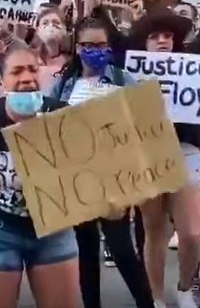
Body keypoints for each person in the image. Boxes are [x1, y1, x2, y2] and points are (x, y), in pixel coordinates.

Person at [0, 46, 81, 308]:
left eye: (33, 69)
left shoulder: (62, 116)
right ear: (3, 81)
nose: (27, 78)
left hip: (54, 228)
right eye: (17, 71)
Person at [128, 0, 200, 308]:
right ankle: (156, 297)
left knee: (191, 233)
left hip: (185, 151)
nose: (162, 42)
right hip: (147, 153)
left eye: (168, 36)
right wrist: (93, 3)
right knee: (154, 230)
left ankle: (186, 286)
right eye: (155, 37)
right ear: (145, 41)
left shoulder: (189, 62)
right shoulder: (132, 70)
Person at [49, 17, 153, 308]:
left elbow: (143, 125)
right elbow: (46, 127)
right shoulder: (63, 86)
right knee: (86, 250)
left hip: (114, 177)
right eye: (87, 45)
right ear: (77, 47)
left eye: (100, 45)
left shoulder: (122, 80)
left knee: (122, 250)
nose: (94, 51)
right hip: (77, 177)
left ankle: (146, 302)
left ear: (110, 47)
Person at [31, 7, 70, 95]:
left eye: (56, 23)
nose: (50, 26)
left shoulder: (71, 62)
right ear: (37, 30)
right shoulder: (29, 59)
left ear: (65, 30)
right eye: (45, 23)